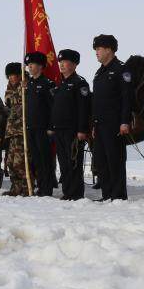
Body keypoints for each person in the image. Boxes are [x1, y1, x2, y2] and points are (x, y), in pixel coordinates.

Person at [90, 34, 134, 201]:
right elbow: (97, 101)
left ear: (109, 49)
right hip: (100, 124)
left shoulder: (122, 69)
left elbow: (126, 98)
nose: (96, 52)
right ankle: (107, 194)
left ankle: (118, 195)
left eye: (99, 48)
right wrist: (94, 124)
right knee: (101, 161)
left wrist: (124, 121)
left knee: (115, 160)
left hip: (115, 124)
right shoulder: (99, 72)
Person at [50, 49, 91, 200]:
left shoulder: (80, 83)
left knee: (73, 162)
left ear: (74, 64)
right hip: (59, 131)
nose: (61, 64)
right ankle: (67, 192)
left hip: (73, 131)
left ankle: (75, 193)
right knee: (64, 163)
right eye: (60, 62)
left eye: (64, 62)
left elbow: (83, 108)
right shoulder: (60, 84)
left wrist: (82, 129)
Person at [23, 52, 56, 196]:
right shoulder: (28, 84)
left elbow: (53, 108)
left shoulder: (47, 84)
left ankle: (47, 188)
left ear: (41, 66)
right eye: (28, 64)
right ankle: (40, 186)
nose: (29, 67)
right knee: (36, 160)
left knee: (45, 160)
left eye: (33, 64)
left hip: (43, 129)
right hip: (30, 128)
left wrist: (50, 127)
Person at [3, 63, 30, 195]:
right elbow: (8, 103)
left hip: (23, 130)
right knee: (10, 162)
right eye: (9, 76)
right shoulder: (9, 88)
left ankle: (26, 187)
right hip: (12, 130)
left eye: (13, 75)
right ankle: (15, 187)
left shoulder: (26, 85)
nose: (11, 78)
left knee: (20, 162)